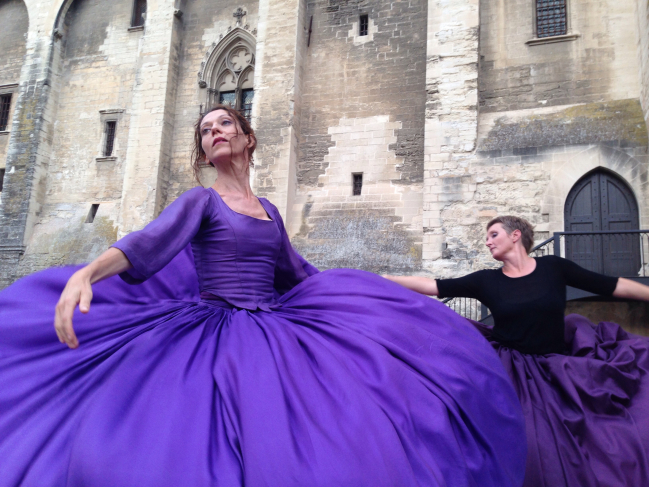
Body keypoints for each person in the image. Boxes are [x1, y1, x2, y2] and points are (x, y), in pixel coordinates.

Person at [0, 106, 526, 487]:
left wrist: (372, 292)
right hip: (210, 326)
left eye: (224, 124)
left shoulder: (270, 211)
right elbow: (149, 243)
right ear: (203, 151)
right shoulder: (201, 201)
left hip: (272, 324)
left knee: (338, 431)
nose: (214, 133)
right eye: (205, 131)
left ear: (248, 139)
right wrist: (88, 273)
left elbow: (298, 274)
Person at [384, 215, 649, 487]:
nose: (487, 242)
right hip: (508, 368)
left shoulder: (554, 268)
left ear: (515, 235)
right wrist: (383, 279)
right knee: (523, 442)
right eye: (486, 238)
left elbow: (611, 285)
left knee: (579, 439)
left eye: (493, 235)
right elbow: (433, 286)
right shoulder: (486, 281)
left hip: (555, 370)